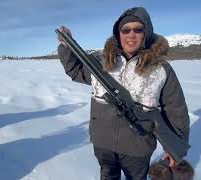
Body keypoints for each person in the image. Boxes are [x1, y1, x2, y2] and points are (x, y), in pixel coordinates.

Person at [57, 7, 190, 180]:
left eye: (138, 29)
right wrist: (66, 47)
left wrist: (174, 147)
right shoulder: (101, 61)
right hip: (103, 143)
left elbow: (175, 108)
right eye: (125, 30)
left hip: (138, 147)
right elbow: (76, 71)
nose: (131, 35)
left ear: (147, 32)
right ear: (118, 34)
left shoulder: (161, 68)